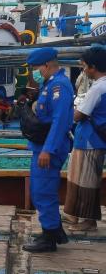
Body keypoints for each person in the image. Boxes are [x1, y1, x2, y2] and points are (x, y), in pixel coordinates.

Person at [22, 47, 73, 253]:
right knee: (41, 188)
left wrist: (48, 150)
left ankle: (49, 238)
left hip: (49, 148)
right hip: (42, 145)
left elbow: (60, 121)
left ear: (46, 65)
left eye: (36, 68)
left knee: (43, 191)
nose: (35, 72)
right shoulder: (50, 84)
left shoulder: (59, 86)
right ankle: (55, 230)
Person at [63, 46, 106, 232]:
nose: (83, 70)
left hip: (89, 140)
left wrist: (67, 112)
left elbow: (79, 115)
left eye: (84, 67)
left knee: (86, 180)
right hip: (93, 140)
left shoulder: (98, 88)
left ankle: (88, 221)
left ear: (93, 67)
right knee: (80, 178)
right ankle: (74, 215)